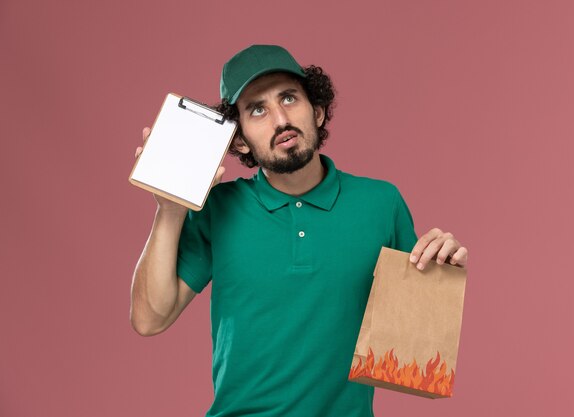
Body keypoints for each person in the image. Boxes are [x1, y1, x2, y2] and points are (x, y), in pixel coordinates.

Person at [130, 45, 468, 417]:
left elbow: (413, 350)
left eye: (289, 98)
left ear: (317, 111)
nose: (280, 119)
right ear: (239, 139)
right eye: (257, 109)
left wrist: (442, 271)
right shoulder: (218, 207)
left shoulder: (381, 203)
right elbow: (149, 319)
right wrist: (170, 210)